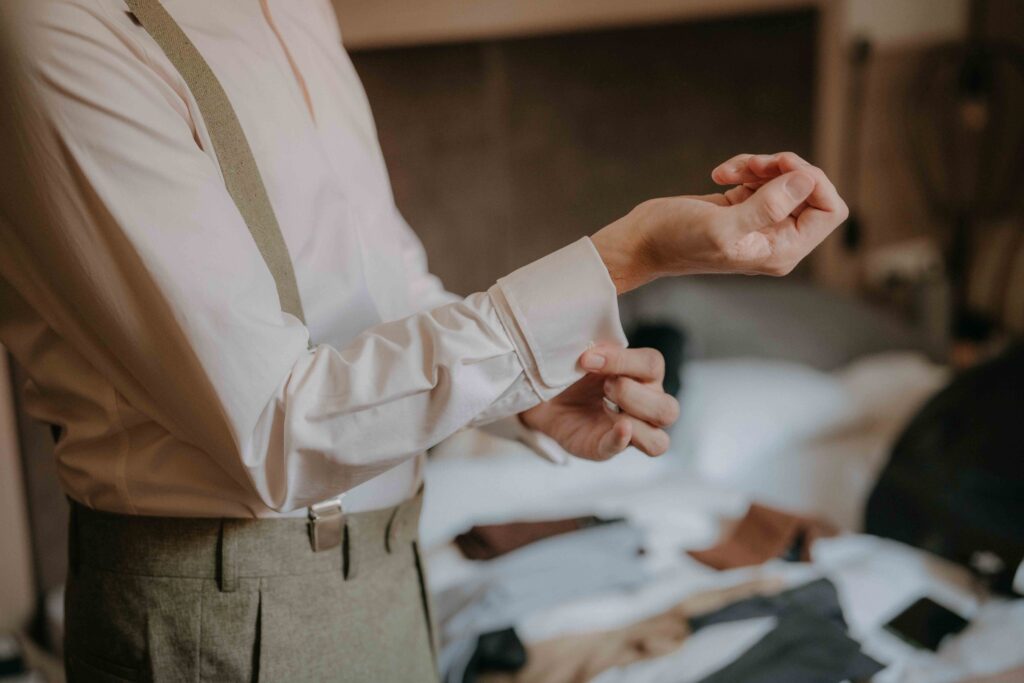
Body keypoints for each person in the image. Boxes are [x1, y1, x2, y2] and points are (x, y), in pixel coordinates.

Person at [0, 0, 848, 681]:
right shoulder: (63, 26)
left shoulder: (292, 11)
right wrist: (627, 256)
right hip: (217, 614)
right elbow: (272, 433)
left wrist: (526, 387)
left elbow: (385, 291)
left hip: (391, 575)